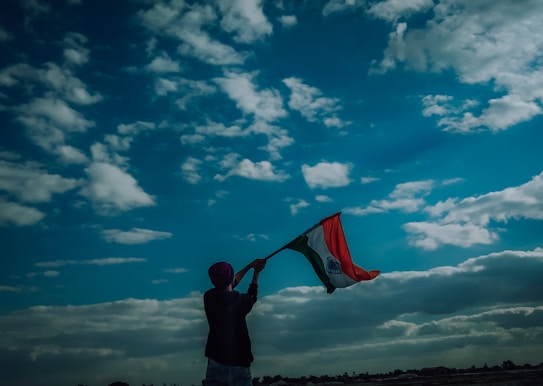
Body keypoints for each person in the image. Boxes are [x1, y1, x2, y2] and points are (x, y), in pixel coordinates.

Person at [203, 258, 266, 386]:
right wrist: (256, 272)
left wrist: (250, 266)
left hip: (216, 361)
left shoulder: (209, 297)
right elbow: (252, 295)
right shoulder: (241, 300)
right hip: (240, 363)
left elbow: (230, 283)